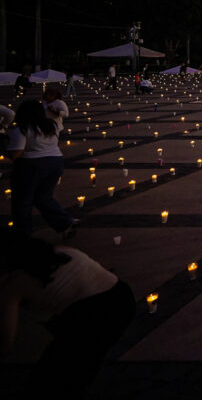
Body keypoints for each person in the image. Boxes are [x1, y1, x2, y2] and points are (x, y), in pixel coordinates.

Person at [0, 231, 135, 396]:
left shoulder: (13, 285)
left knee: (47, 383)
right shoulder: (62, 251)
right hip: (122, 295)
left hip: (95, 316)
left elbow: (5, 344)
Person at [7, 100, 77, 236]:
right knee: (43, 198)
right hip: (55, 162)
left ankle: (22, 234)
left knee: (22, 202)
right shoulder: (51, 126)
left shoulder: (22, 130)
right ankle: (65, 222)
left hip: (31, 166)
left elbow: (16, 154)